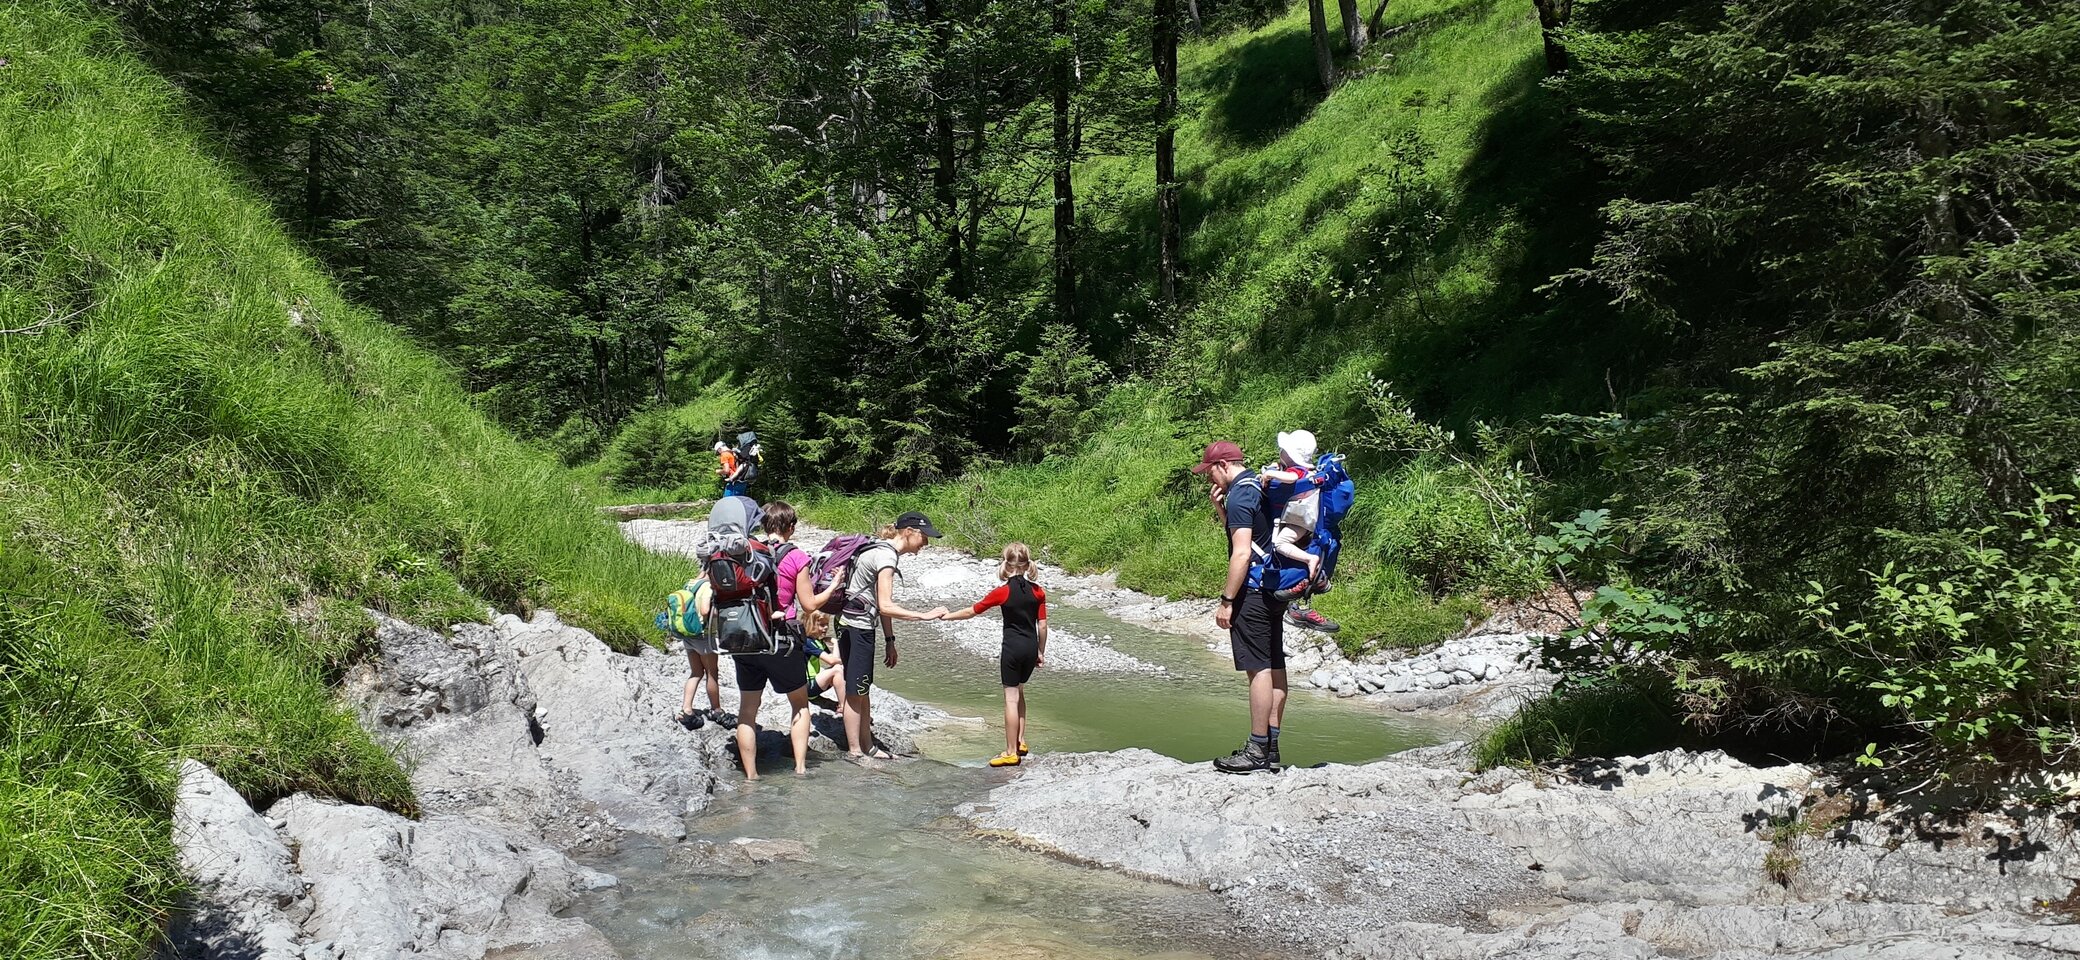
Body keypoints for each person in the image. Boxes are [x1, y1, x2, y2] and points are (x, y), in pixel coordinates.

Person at [1193, 440, 1287, 774]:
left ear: (1222, 465)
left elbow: (1242, 553)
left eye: (1209, 472)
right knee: (1274, 663)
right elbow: (1254, 537)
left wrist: (1227, 601)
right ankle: (1271, 747)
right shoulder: (1255, 487)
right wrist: (1222, 512)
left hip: (1253, 593)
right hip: (1275, 590)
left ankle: (1256, 750)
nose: (1209, 479)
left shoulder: (1240, 494)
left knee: (1257, 668)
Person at [835, 512, 948, 762]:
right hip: (857, 627)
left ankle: (868, 746)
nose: (926, 544)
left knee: (862, 689)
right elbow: (885, 605)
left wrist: (890, 640)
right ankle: (856, 752)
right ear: (909, 532)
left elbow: (877, 601)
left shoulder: (881, 549)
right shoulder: (886, 556)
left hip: (851, 624)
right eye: (924, 537)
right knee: (856, 691)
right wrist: (924, 616)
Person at [940, 543, 1049, 767]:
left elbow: (972, 611)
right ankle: (1020, 741)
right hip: (1030, 647)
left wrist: (947, 616)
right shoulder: (1038, 591)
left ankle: (1010, 752)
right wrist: (1040, 651)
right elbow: (1043, 626)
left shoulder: (1003, 591)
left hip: (1012, 648)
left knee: (1010, 699)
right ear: (1028, 564)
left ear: (1006, 565)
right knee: (1020, 692)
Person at [729, 500, 814, 779]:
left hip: (745, 638)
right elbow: (809, 604)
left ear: (763, 525)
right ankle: (800, 769)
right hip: (782, 640)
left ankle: (751, 776)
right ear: (791, 527)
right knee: (799, 703)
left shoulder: (748, 552)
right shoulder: (796, 557)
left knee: (748, 711)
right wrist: (835, 587)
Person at [1260, 429, 1340, 633]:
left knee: (1280, 545)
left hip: (1298, 522)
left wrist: (1269, 473)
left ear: (1291, 454)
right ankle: (1300, 602)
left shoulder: (1295, 472)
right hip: (1307, 522)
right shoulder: (1311, 472)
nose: (1280, 452)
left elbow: (1290, 479)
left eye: (1283, 450)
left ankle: (1309, 565)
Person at [674, 576, 733, 729]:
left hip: (688, 634)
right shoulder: (708, 586)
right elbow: (705, 610)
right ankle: (716, 709)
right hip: (703, 636)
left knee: (696, 672)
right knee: (711, 672)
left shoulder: (690, 582)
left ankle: (686, 709)